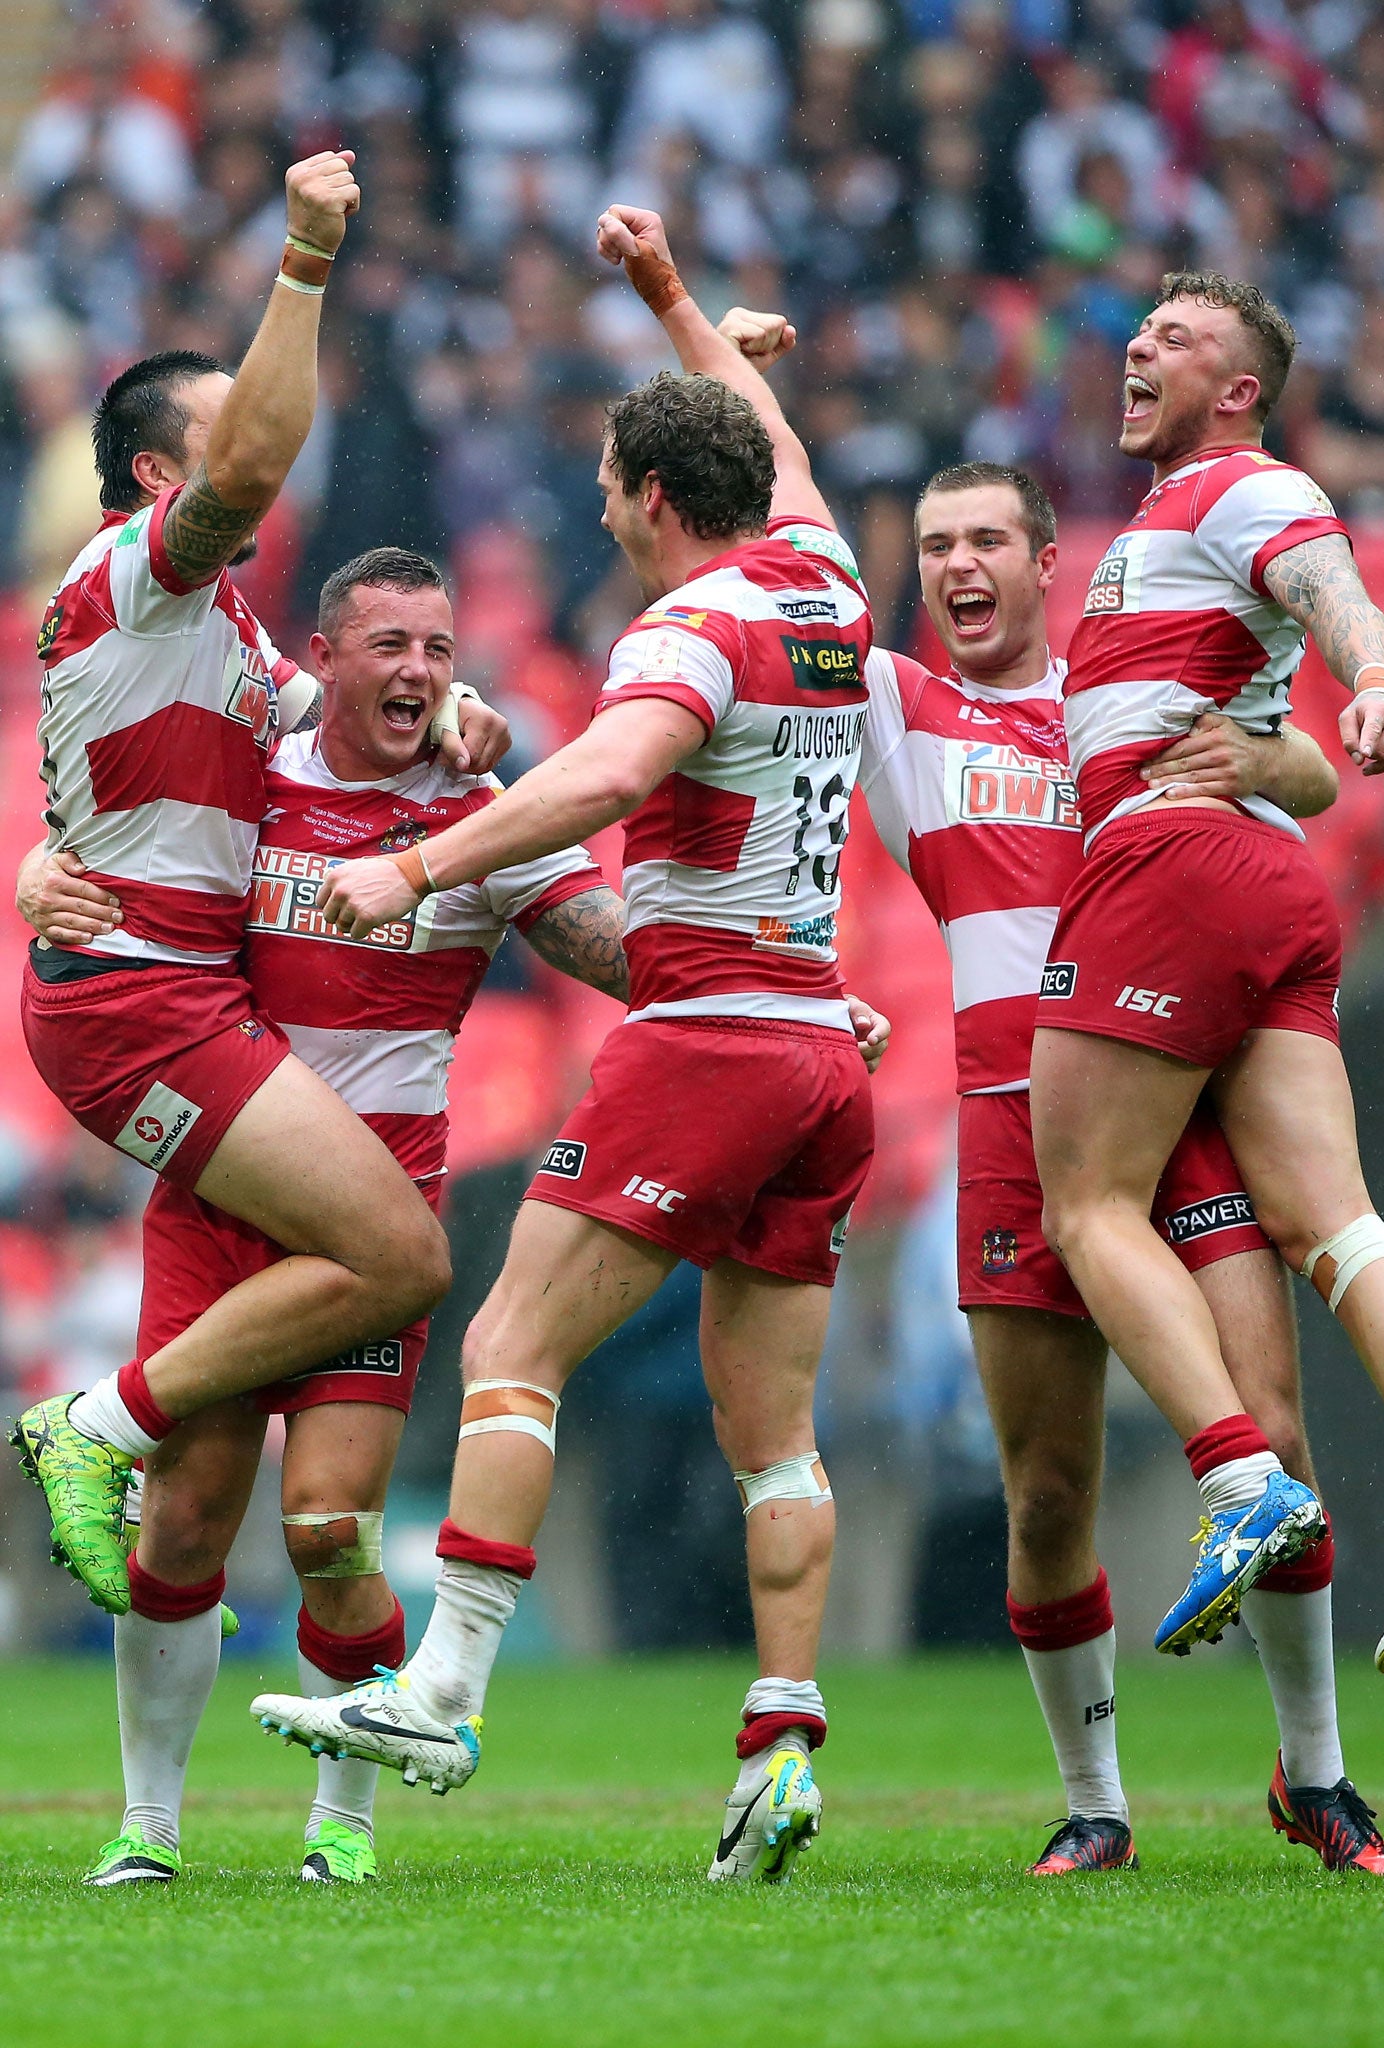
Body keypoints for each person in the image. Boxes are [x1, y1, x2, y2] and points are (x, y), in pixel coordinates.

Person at [647, 249, 1384, 1876]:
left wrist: (1292, 752)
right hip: (1012, 1123)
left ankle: (1316, 1770)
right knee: (1045, 1482)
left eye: (988, 538)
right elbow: (783, 514)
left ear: (1054, 562)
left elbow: (1308, 778)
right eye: (934, 547)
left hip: (1175, 1096)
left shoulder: (1127, 699)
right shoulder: (897, 708)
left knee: (1267, 1424)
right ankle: (1095, 1799)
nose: (957, 565)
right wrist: (695, 330)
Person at [246, 236, 887, 1885]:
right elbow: (782, 446)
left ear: (661, 496)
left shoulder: (689, 631)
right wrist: (682, 308)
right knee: (778, 1433)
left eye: (612, 486)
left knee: (513, 1340)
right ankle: (785, 1732)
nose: (598, 510)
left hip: (710, 1035)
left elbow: (601, 782)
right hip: (823, 1043)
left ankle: (444, 1690)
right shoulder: (824, 583)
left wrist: (414, 868)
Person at [19, 547, 625, 1888]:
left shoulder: (486, 808)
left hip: (380, 1205)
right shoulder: (253, 793)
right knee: (183, 1522)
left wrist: (738, 976)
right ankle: (151, 1827)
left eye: (438, 647)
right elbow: (112, 865)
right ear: (326, 659)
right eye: (391, 645)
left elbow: (600, 940)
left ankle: (340, 1824)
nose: (418, 670)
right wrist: (35, 877)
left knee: (329, 1528)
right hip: (228, 1199)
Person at [8, 150, 499, 1622]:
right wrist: (302, 257)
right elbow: (258, 465)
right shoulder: (131, 573)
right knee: (406, 1251)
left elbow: (334, 722)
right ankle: (91, 1426)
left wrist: (481, 723)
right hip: (136, 1000)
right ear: (163, 476)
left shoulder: (216, 625)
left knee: (380, 1271)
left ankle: (124, 1443)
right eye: (223, 432)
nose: (269, 434)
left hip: (166, 987)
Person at [1026, 272, 1384, 1674]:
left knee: (1088, 1202)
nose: (1138, 347)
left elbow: (1331, 580)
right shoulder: (1163, 522)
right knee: (1336, 1223)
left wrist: (1380, 680)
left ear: (1239, 390)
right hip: (1269, 891)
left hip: (1168, 874)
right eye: (1142, 331)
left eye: (1178, 340)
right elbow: (1262, 695)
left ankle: (1240, 1477)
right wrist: (1293, 736)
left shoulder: (1239, 487)